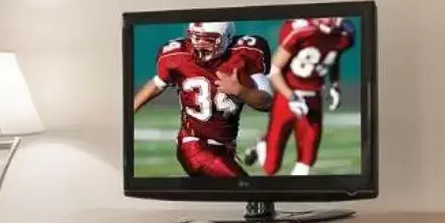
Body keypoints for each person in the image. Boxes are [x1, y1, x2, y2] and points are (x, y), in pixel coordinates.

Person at [129, 22, 273, 178]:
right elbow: (156, 84)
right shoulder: (177, 56)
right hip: (194, 146)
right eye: (195, 38)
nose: (199, 45)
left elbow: (267, 102)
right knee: (247, 188)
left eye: (208, 39)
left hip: (225, 148)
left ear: (226, 39)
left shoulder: (246, 54)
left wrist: (239, 91)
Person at [243, 16, 354, 176]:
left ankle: (292, 196)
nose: (334, 19)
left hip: (314, 97)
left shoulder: (345, 34)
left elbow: (332, 56)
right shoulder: (300, 31)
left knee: (307, 160)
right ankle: (262, 145)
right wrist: (291, 97)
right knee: (271, 167)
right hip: (287, 95)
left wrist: (335, 84)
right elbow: (274, 70)